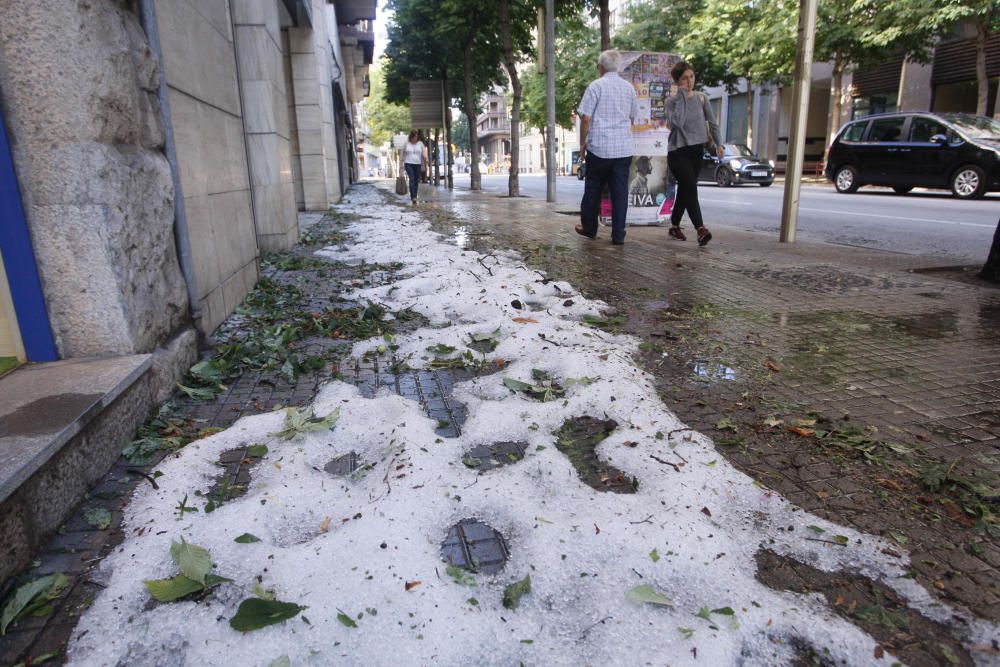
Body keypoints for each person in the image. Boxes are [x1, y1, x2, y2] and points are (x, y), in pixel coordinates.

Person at [576, 49, 639, 246]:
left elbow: (585, 118)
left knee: (593, 189)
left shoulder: (595, 86)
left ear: (600, 67)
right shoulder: (628, 88)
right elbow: (633, 116)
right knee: (619, 192)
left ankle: (590, 228)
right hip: (623, 149)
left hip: (600, 148)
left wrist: (582, 144)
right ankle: (618, 234)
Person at [664, 60, 724, 246]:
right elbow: (677, 123)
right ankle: (700, 228)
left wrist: (719, 143)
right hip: (677, 151)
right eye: (684, 78)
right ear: (677, 81)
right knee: (690, 186)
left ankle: (674, 225)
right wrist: (682, 95)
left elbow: (713, 123)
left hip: (696, 150)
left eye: (691, 77)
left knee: (686, 189)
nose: (689, 81)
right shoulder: (671, 102)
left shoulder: (701, 98)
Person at [402, 130, 428, 204]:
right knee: (412, 179)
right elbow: (402, 154)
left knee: (416, 181)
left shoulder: (420, 144)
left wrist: (426, 158)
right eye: (414, 137)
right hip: (408, 163)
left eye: (416, 137)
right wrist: (401, 165)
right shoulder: (406, 143)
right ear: (411, 137)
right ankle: (413, 197)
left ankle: (415, 196)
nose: (415, 139)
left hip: (417, 164)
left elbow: (424, 152)